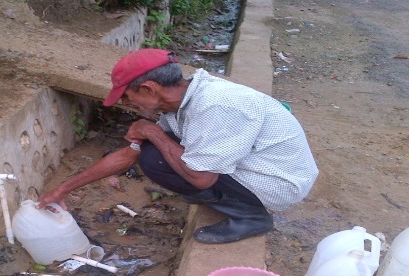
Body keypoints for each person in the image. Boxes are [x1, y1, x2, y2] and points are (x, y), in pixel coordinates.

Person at [38, 49, 319, 244]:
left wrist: (151, 132)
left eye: (127, 97)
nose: (127, 105)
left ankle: (251, 217)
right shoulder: (182, 103)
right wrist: (62, 190)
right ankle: (223, 198)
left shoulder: (216, 106)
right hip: (259, 167)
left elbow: (201, 176)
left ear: (149, 88)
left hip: (279, 183)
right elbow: (128, 154)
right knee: (151, 153)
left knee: (157, 159)